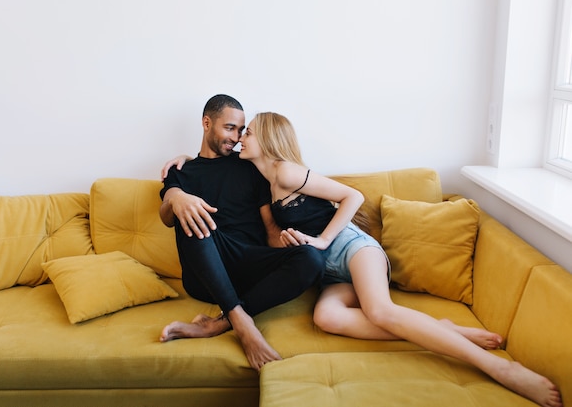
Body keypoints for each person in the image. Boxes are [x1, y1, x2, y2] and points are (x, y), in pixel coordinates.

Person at [235, 111, 563, 407]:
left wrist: (321, 240)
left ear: (267, 137)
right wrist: (290, 242)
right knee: (328, 319)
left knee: (380, 311)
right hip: (331, 272)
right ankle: (444, 329)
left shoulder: (287, 172)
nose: (240, 138)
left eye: (247, 132)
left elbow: (353, 196)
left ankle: (497, 367)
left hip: (354, 249)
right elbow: (268, 233)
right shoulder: (267, 184)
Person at [157, 95, 325, 372]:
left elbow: (270, 227)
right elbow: (166, 216)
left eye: (240, 130)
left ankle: (219, 323)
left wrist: (290, 255)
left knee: (311, 260)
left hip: (250, 265)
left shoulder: (248, 164)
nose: (235, 137)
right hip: (205, 273)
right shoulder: (182, 172)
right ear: (206, 123)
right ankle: (242, 323)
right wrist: (176, 198)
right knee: (191, 215)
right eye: (229, 128)